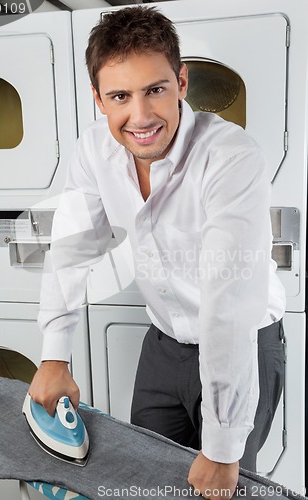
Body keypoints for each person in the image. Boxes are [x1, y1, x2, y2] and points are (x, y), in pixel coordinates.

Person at [29, 6, 286, 499]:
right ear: (98, 99)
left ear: (182, 82)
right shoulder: (92, 152)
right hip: (164, 344)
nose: (141, 116)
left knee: (223, 489)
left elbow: (227, 304)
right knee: (145, 483)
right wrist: (53, 356)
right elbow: (71, 248)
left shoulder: (231, 158)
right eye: (120, 96)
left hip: (243, 342)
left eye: (156, 89)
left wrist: (222, 447)